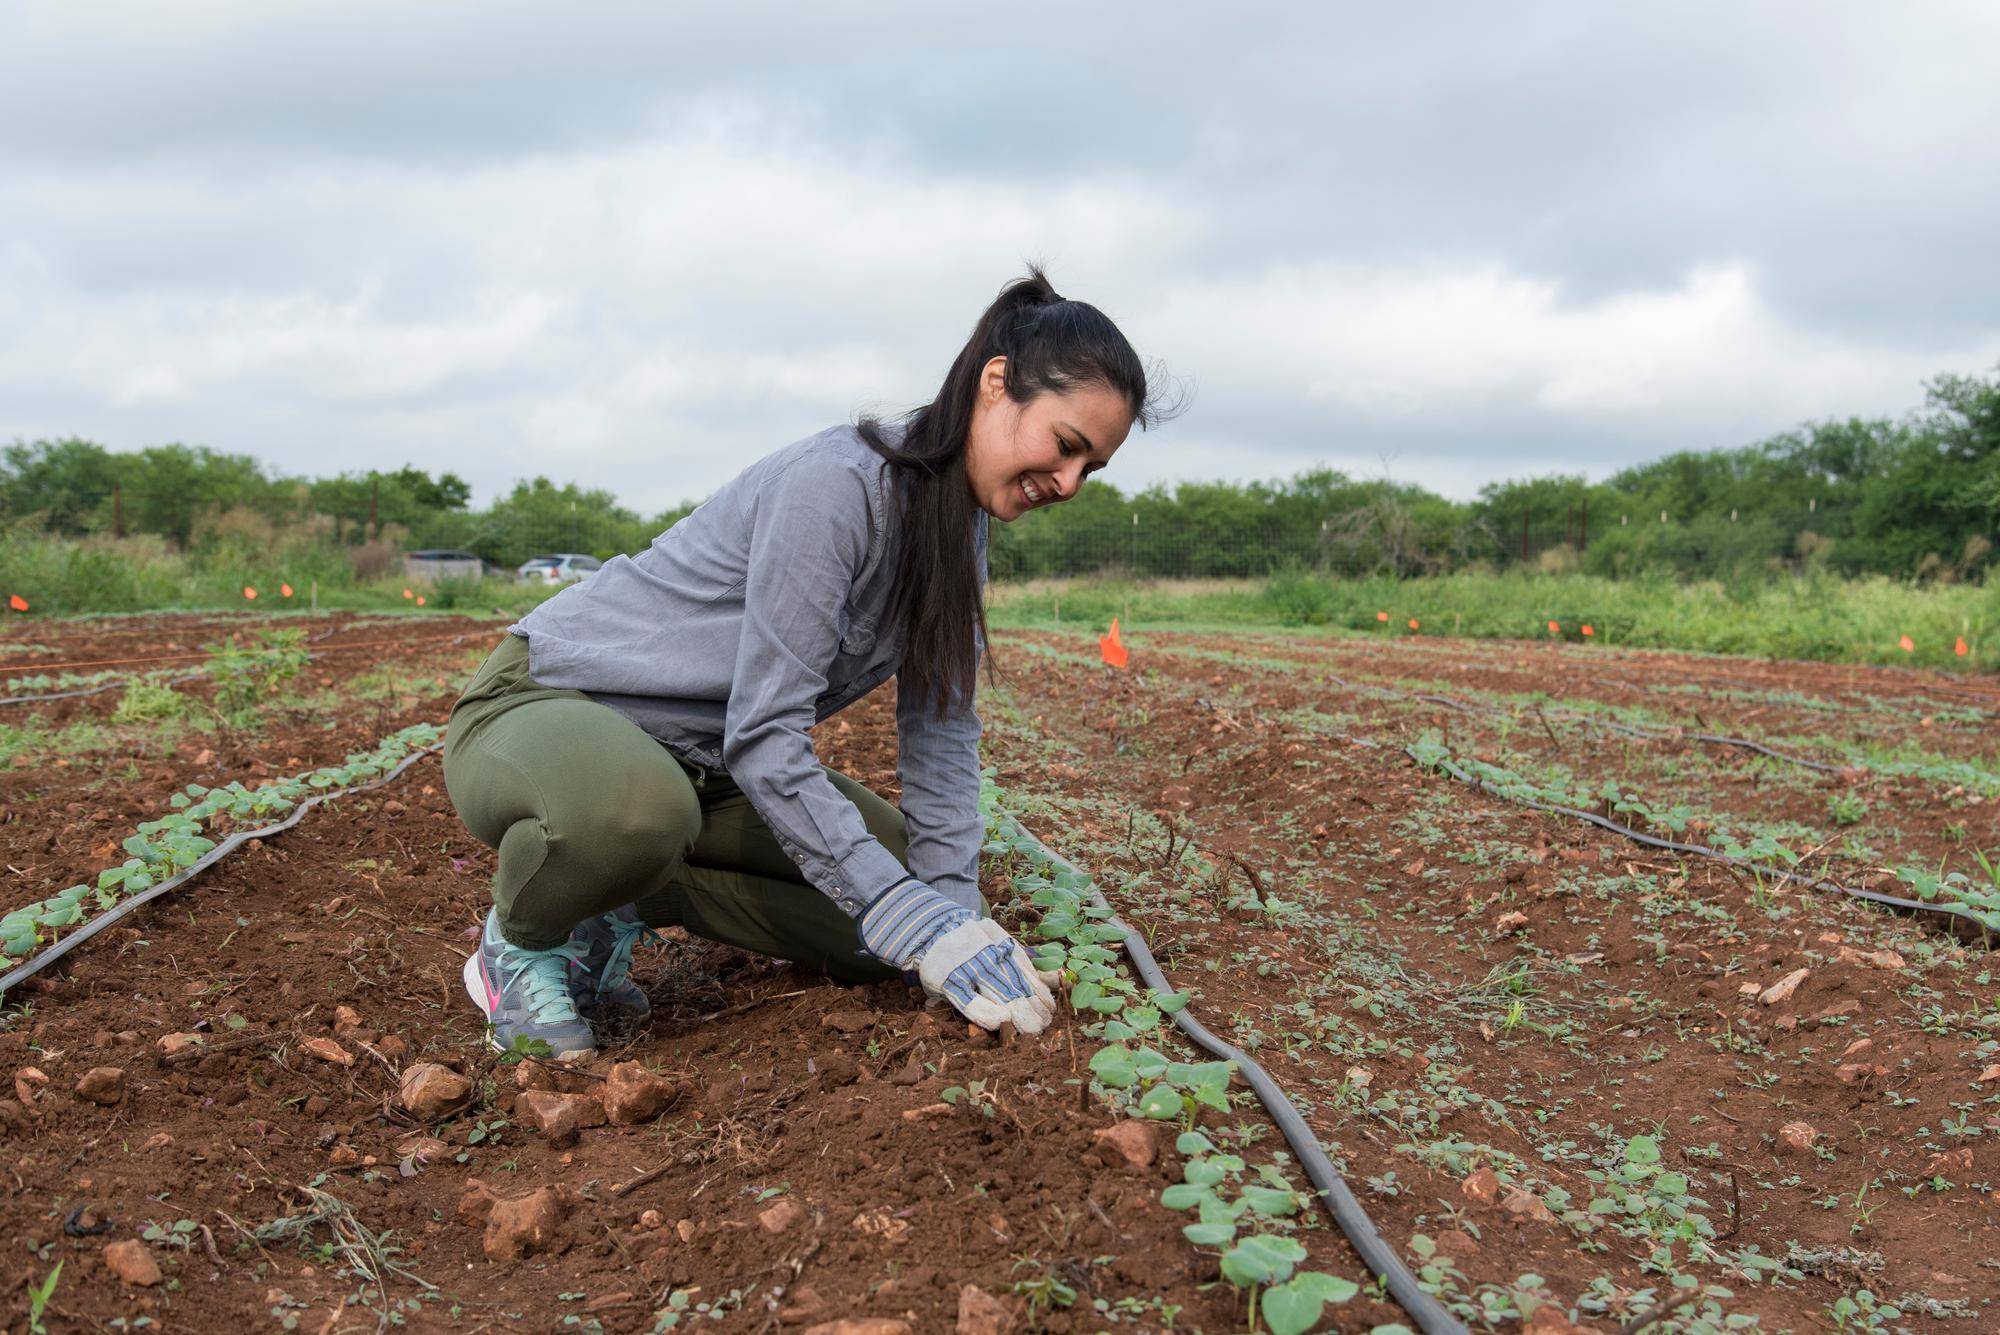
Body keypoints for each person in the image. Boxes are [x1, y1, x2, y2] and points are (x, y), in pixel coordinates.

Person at [443, 268, 1165, 1061]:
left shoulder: (961, 540)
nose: (1068, 482)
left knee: (898, 925)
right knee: (636, 814)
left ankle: (618, 901)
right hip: (550, 707)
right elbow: (766, 733)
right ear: (997, 383)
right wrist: (903, 907)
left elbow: (942, 734)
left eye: (1090, 469)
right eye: (1066, 446)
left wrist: (951, 918)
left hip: (698, 767)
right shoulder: (839, 489)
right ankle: (519, 943)